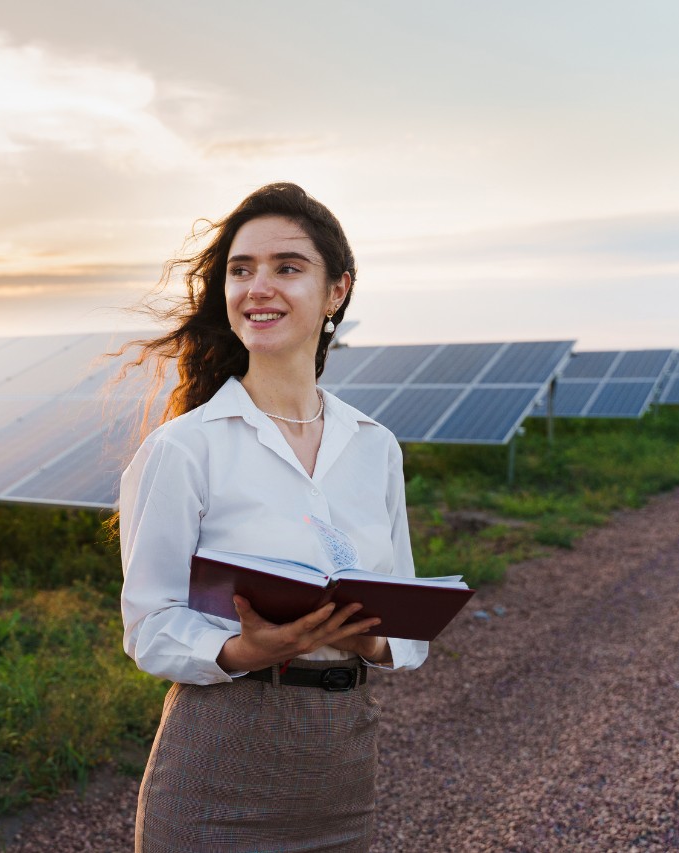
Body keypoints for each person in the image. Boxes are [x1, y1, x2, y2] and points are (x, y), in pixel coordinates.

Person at [118, 182, 427, 852]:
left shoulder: (374, 446)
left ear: (337, 291)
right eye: (241, 269)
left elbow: (406, 629)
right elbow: (150, 625)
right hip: (218, 759)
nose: (259, 286)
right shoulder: (183, 448)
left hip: (341, 767)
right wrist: (242, 650)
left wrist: (367, 638)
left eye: (287, 267)